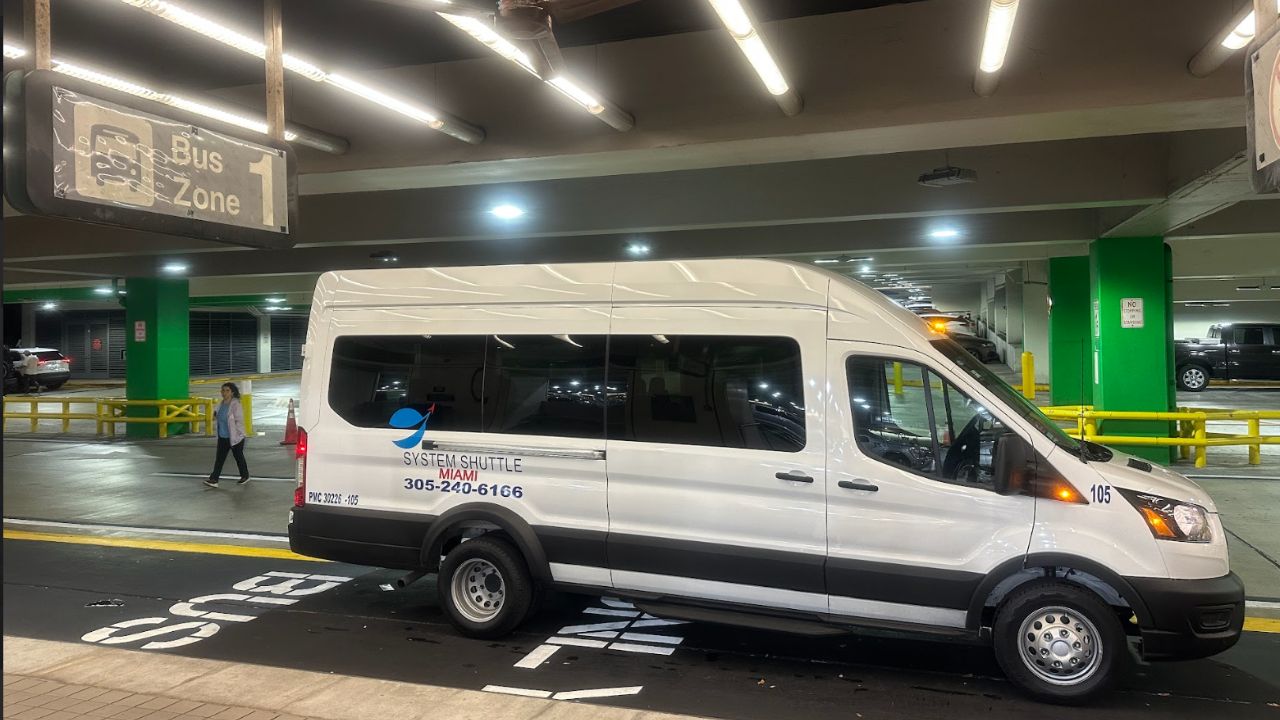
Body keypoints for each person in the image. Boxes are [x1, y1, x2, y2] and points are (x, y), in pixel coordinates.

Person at [206, 382, 250, 488]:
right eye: (223, 390)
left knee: (238, 457)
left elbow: (239, 421)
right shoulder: (220, 404)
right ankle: (214, 479)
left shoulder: (236, 404)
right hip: (223, 437)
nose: (224, 393)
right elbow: (217, 417)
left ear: (232, 392)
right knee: (219, 459)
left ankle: (245, 476)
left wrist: (240, 435)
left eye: (227, 390)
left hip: (235, 437)